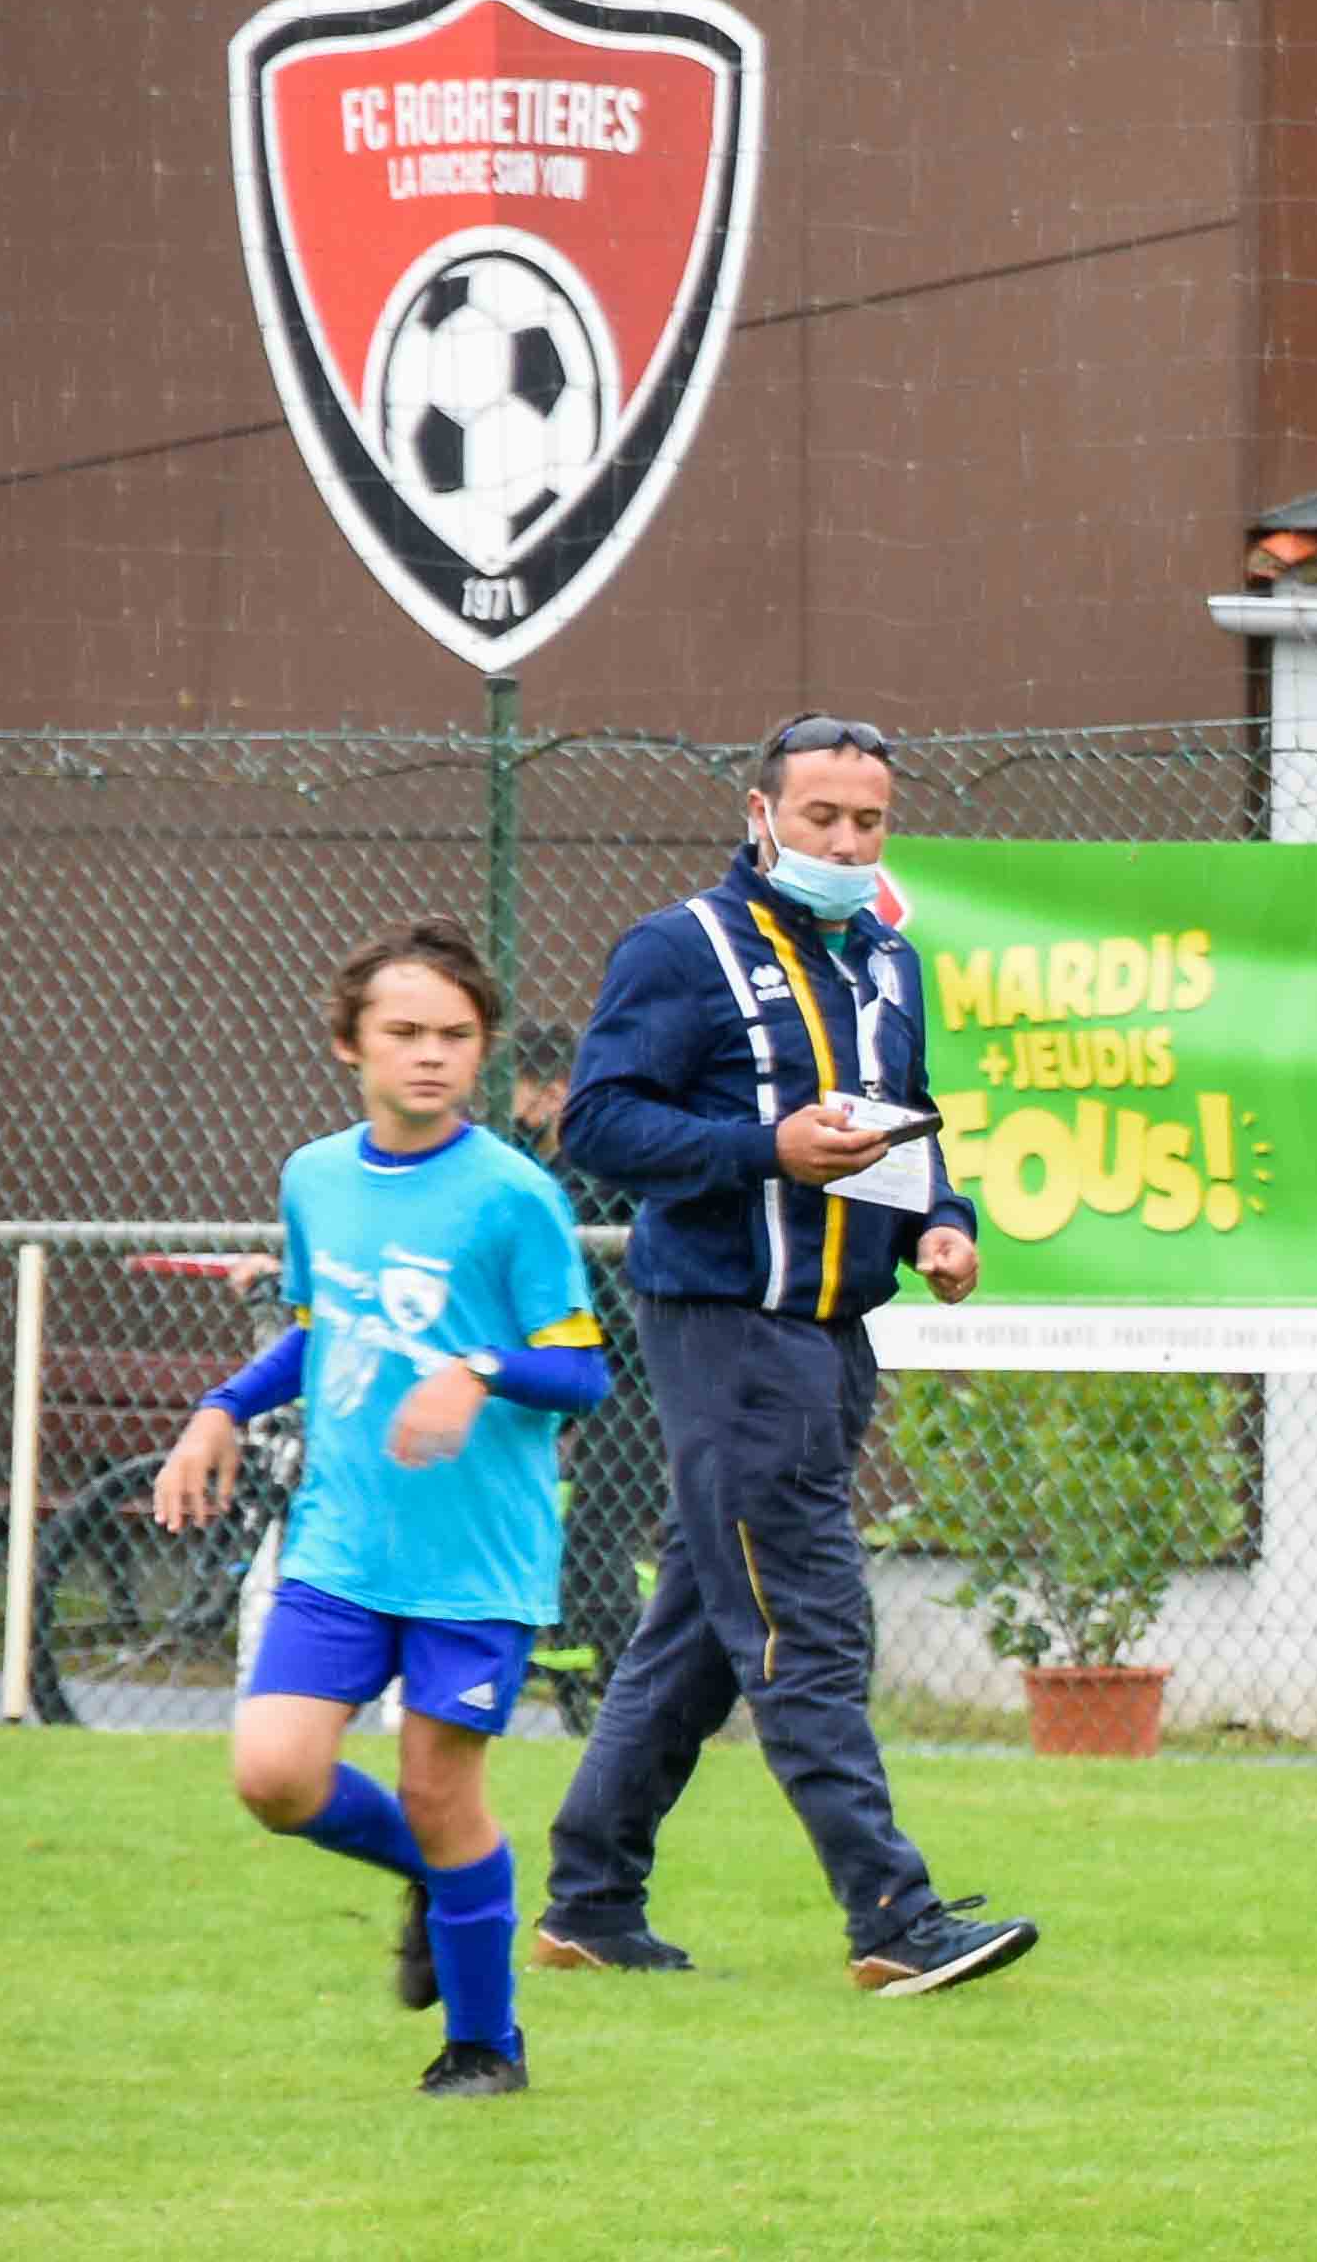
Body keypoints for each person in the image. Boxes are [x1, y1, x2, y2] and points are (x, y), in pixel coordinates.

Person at [536, 715, 1037, 1996]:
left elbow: (912, 1128)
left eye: (868, 822)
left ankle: (590, 1897)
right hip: (725, 1330)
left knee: (704, 1626)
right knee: (811, 1627)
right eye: (822, 818)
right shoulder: (679, 949)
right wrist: (768, 1150)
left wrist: (941, 1222)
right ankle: (894, 1916)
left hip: (834, 1337)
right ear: (762, 817)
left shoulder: (888, 963)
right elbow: (600, 1122)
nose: (847, 842)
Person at [150, 926, 613, 2101]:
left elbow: (583, 1369)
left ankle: (484, 2050)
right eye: (404, 1033)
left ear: (484, 1052)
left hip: (476, 1560)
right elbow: (318, 1330)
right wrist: (219, 1407)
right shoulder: (316, 1176)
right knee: (274, 1777)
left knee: (441, 1789)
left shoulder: (516, 1197)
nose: (430, 1056)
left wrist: (479, 1370)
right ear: (348, 1043)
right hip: (344, 1543)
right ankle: (447, 1879)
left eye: (456, 1037)